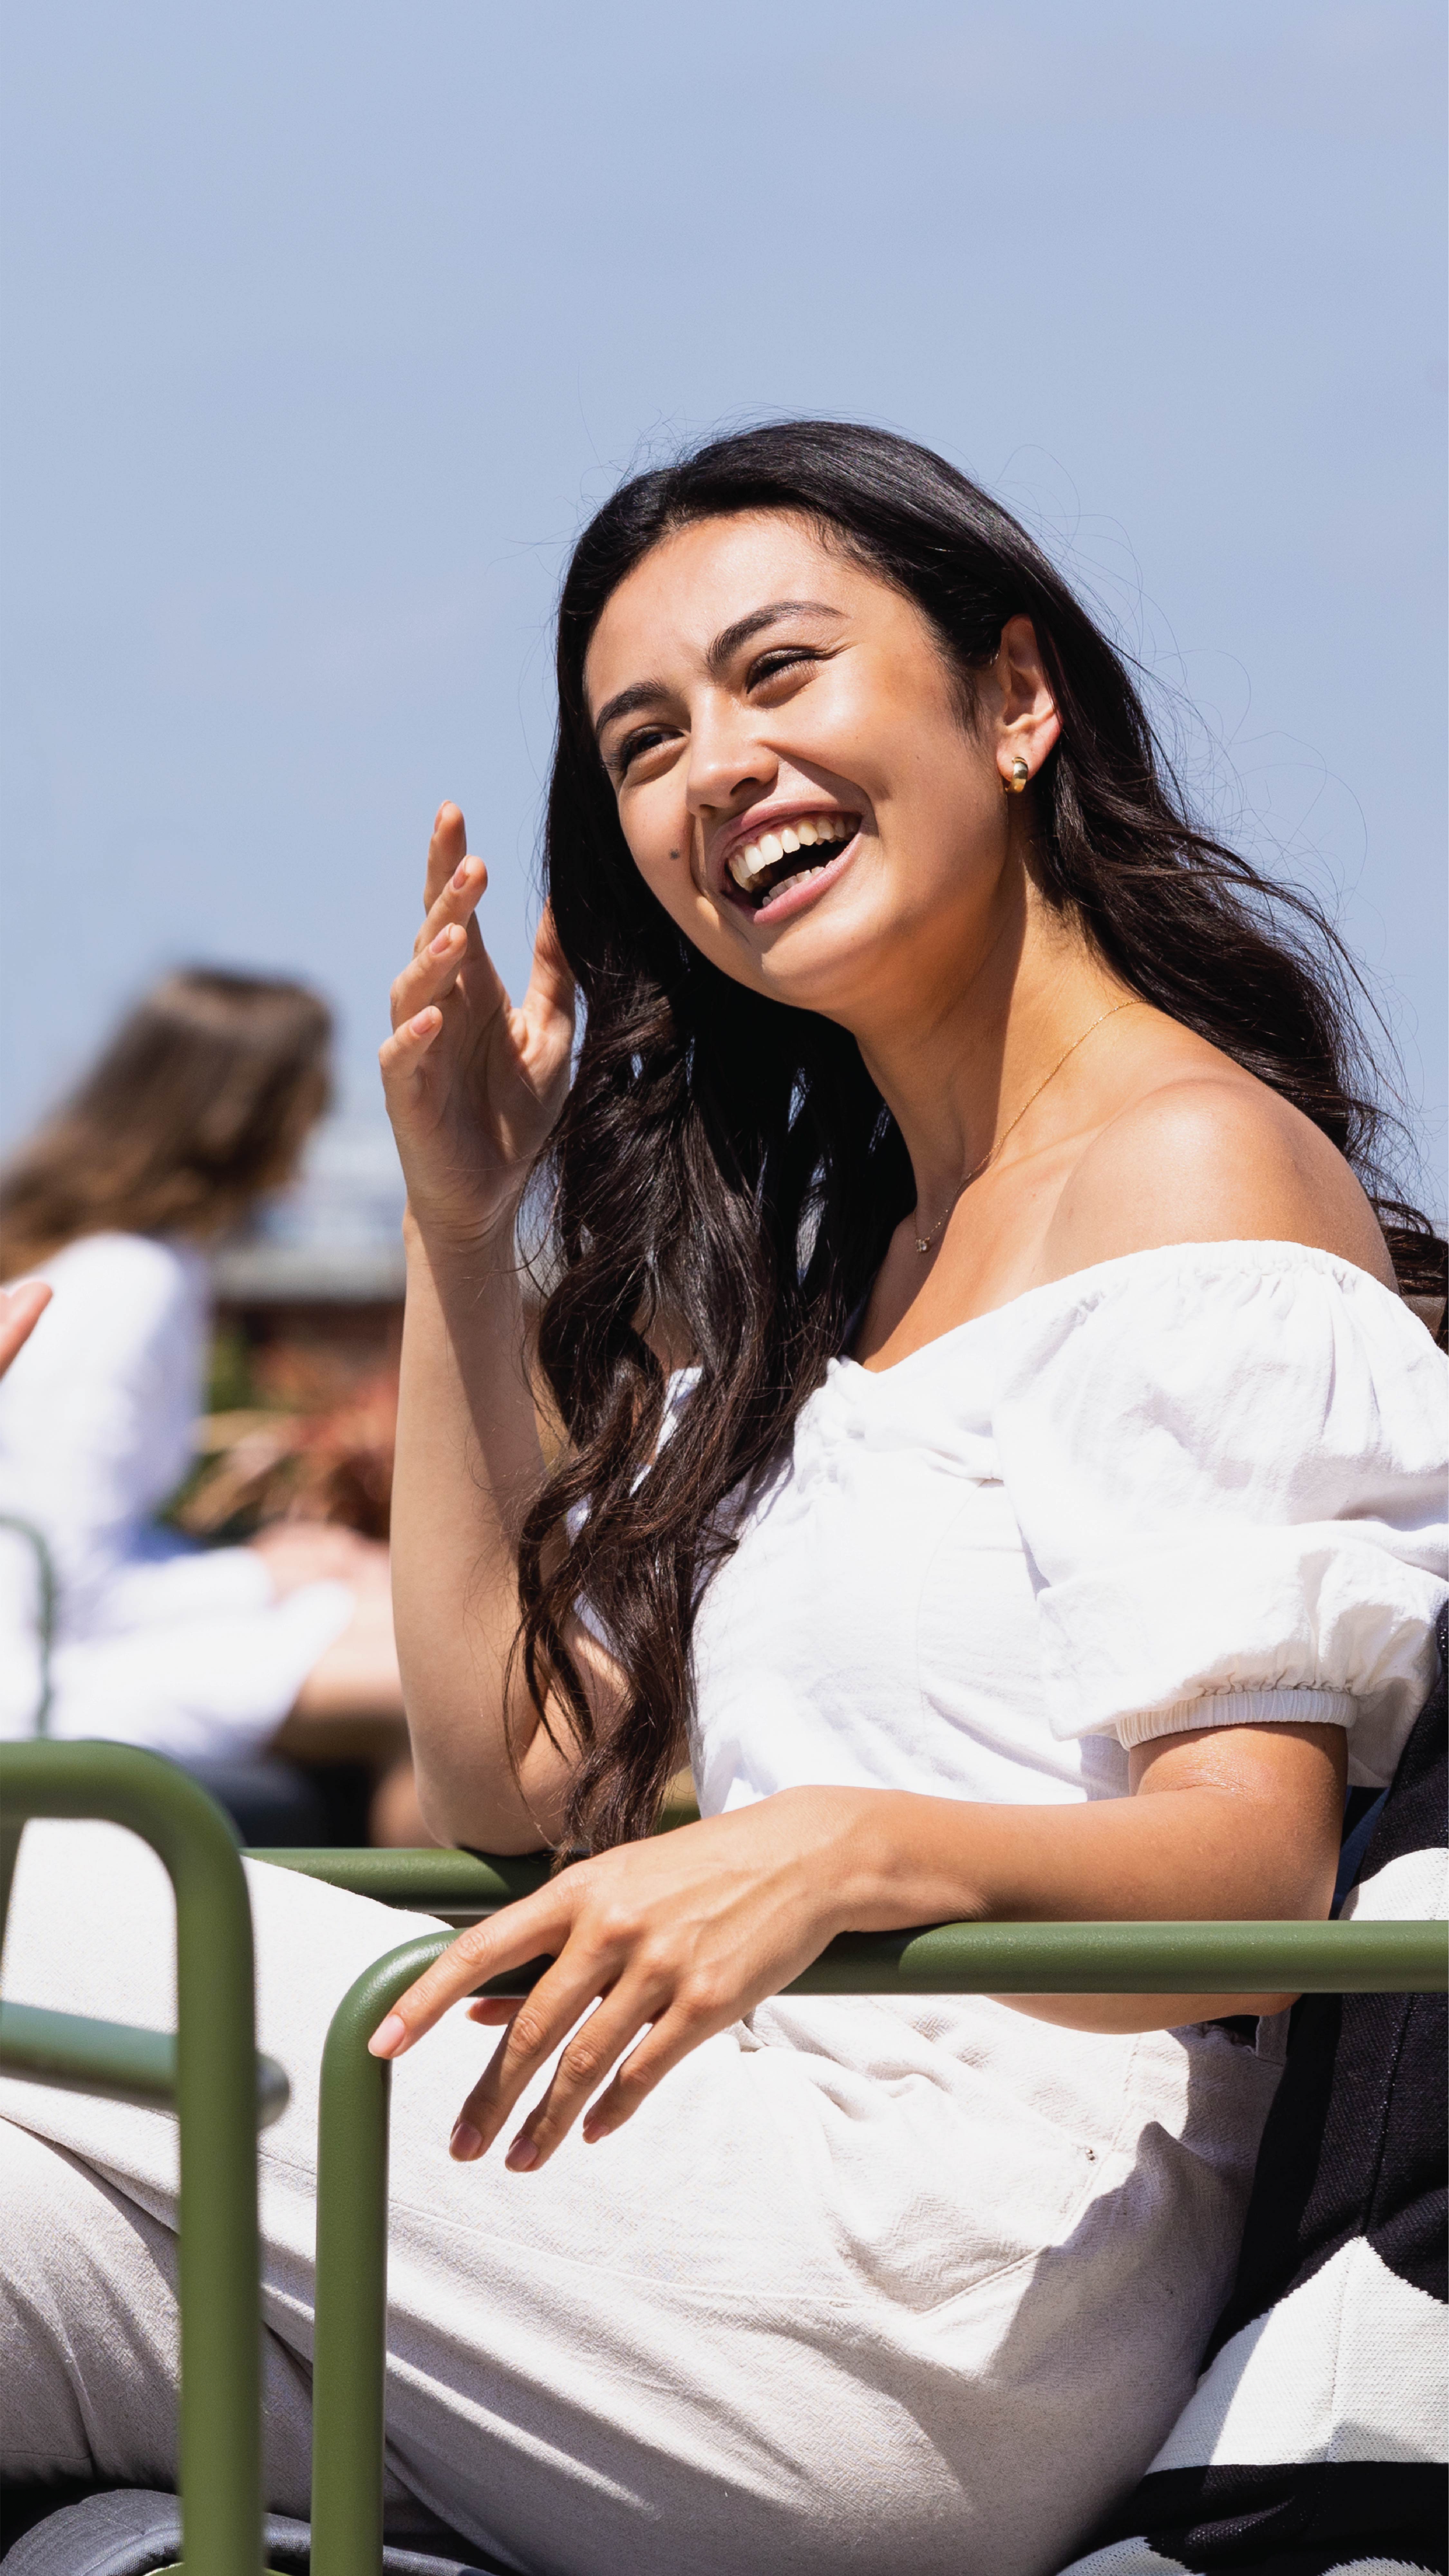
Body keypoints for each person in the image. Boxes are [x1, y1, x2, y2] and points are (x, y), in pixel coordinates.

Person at [2, 426, 1445, 2576]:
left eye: (783, 673)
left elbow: (1242, 1860)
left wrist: (827, 1852)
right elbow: (518, 1762)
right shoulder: (868, 1259)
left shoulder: (1188, 1171)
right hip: (695, 2213)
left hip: (943, 2285)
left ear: (1015, 699)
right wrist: (458, 1221)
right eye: (646, 738)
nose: (714, 767)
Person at [0, 969, 418, 1839]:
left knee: (434, 1628)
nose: (326, 1111)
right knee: (466, 1684)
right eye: (310, 1090)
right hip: (53, 1681)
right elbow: (59, 1584)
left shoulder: (112, 1262)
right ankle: (437, 1964)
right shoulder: (132, 1281)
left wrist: (274, 1562)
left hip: (71, 1653)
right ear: (244, 1112)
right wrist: (262, 1576)